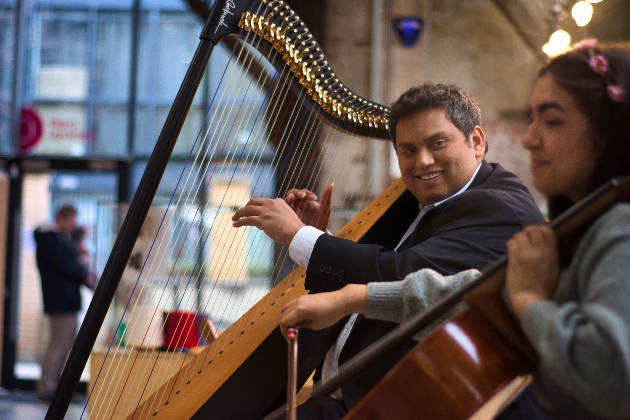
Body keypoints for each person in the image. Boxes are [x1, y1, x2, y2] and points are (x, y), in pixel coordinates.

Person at [279, 40, 630, 419]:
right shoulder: (588, 219)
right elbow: (474, 291)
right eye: (408, 150)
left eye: (553, 120)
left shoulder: (617, 225)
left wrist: (530, 299)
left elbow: (609, 378)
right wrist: (351, 298)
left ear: (609, 129)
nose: (529, 138)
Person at [233, 83, 545, 418]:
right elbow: (379, 270)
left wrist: (303, 238)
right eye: (408, 150)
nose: (423, 161)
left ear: (477, 142)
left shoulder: (497, 207)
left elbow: (403, 274)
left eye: (438, 143)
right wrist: (318, 234)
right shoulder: (430, 198)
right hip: (349, 400)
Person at [34, 204, 90, 401]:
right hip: (60, 301)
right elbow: (67, 267)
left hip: (64, 300)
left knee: (63, 347)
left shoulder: (59, 239)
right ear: (61, 219)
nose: (74, 226)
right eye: (72, 222)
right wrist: (82, 270)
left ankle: (56, 389)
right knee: (58, 346)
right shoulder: (50, 240)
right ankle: (47, 388)